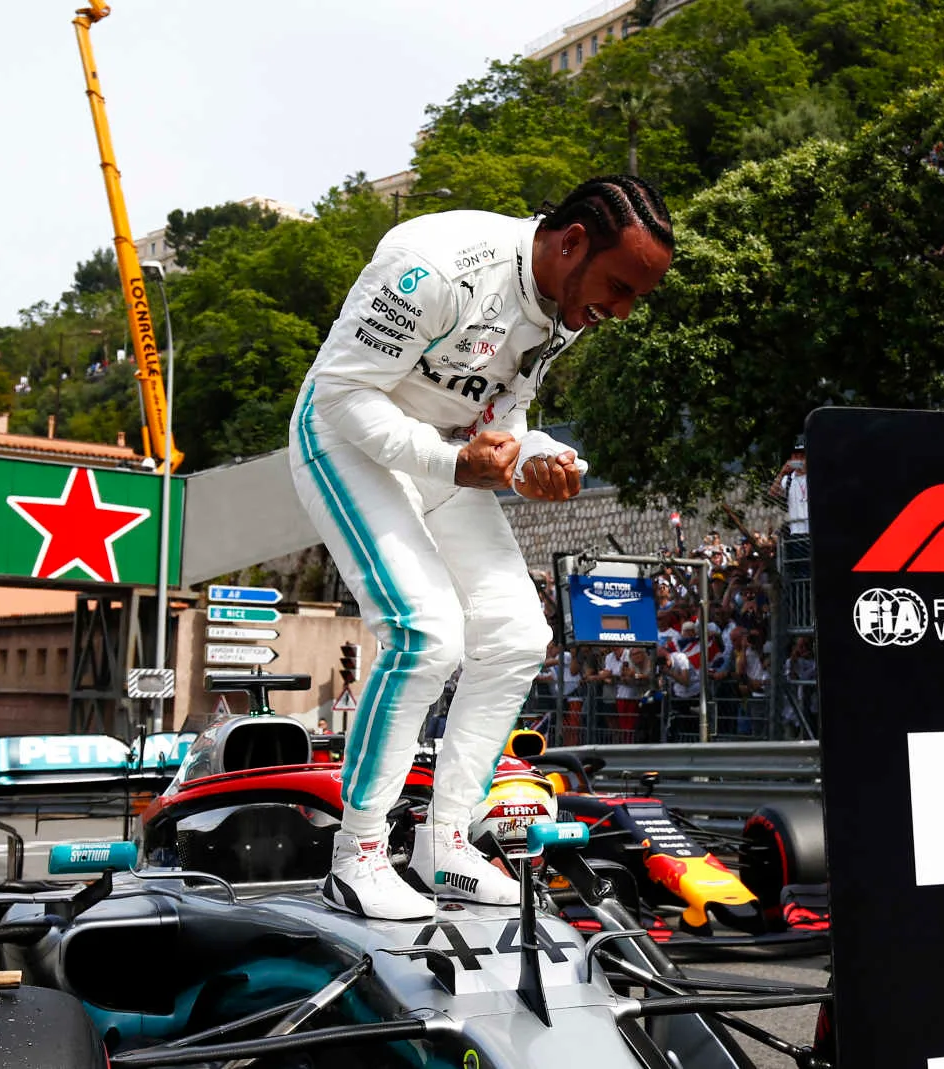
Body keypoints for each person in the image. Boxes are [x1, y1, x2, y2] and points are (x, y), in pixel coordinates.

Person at [287, 174, 674, 918]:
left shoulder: (564, 304)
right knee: (426, 633)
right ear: (571, 243)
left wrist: (537, 461)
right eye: (621, 287)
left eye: (637, 297)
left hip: (445, 455)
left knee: (517, 633)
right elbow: (341, 393)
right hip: (348, 440)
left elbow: (501, 418)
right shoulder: (432, 264)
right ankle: (357, 855)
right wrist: (453, 462)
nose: (623, 311)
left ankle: (447, 842)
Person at [771, 439, 809, 536]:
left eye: (802, 456)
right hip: (795, 531)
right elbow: (772, 493)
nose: (799, 460)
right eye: (796, 457)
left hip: (814, 529)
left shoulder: (815, 476)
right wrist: (781, 473)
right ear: (791, 459)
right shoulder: (788, 479)